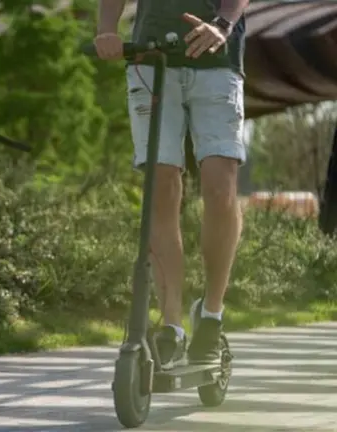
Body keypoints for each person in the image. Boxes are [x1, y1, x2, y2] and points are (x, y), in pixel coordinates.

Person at [94, 0, 249, 369]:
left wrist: (222, 24)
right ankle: (172, 326)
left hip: (216, 58)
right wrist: (107, 29)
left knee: (220, 189)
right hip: (150, 57)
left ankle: (211, 316)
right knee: (160, 186)